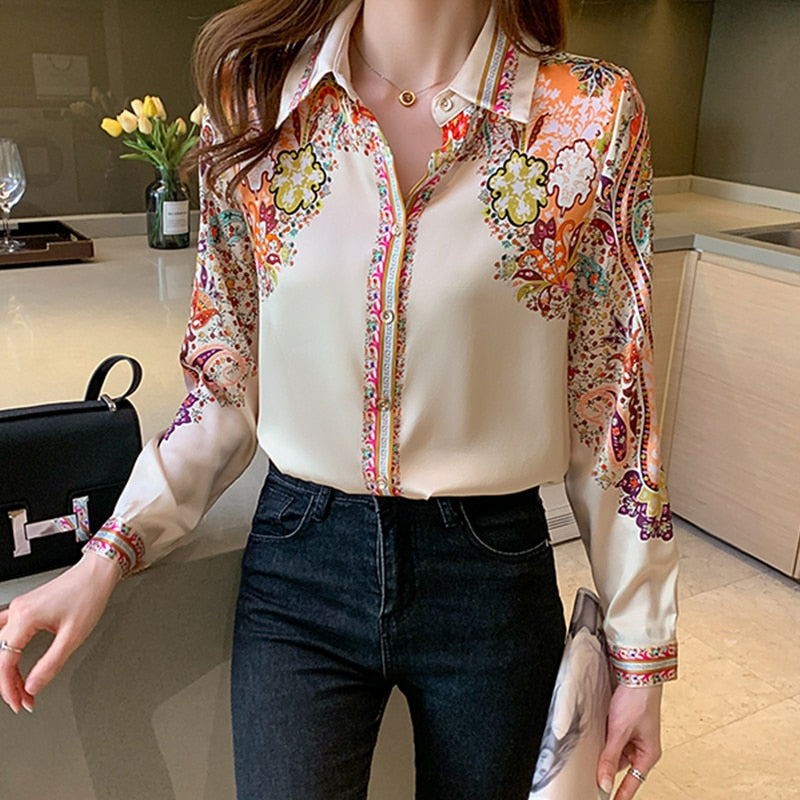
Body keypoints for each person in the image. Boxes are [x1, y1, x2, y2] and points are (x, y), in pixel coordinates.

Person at [0, 1, 679, 798]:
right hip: (301, 567)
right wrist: (105, 555)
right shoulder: (254, 105)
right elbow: (221, 392)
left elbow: (612, 410)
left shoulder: (591, 115)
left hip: (490, 578)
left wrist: (641, 655)